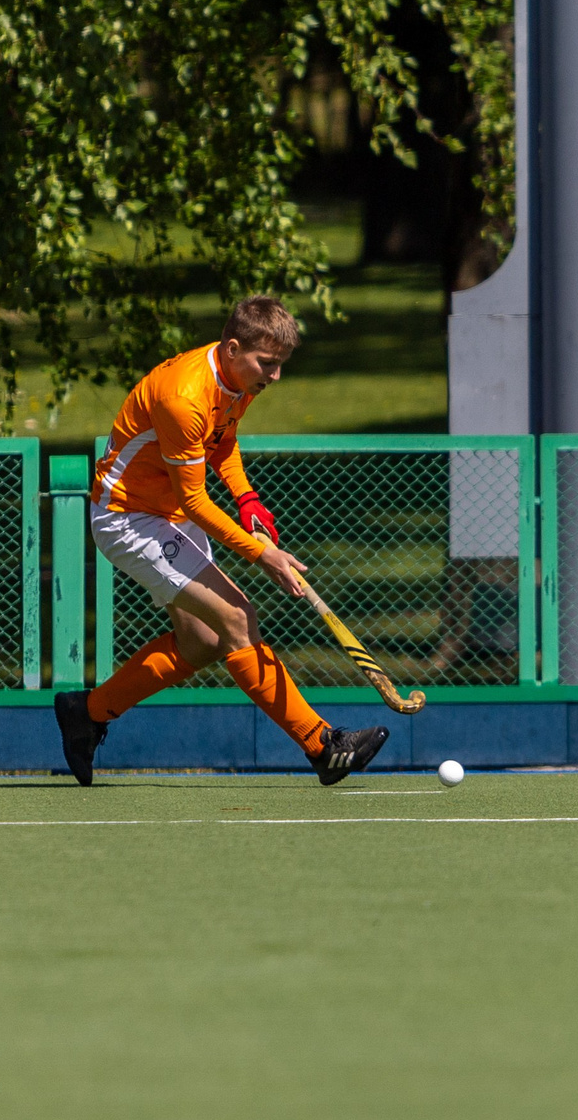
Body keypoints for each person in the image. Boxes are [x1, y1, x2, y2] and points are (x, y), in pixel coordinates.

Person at [52, 295, 386, 787]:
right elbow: (194, 502)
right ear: (232, 348)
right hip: (128, 518)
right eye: (267, 363)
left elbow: (222, 441)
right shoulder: (184, 398)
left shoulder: (237, 379)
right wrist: (261, 553)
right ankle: (322, 746)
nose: (275, 376)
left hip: (166, 511)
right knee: (237, 618)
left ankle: (87, 712)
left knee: (204, 641)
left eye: (280, 365)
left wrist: (247, 498)